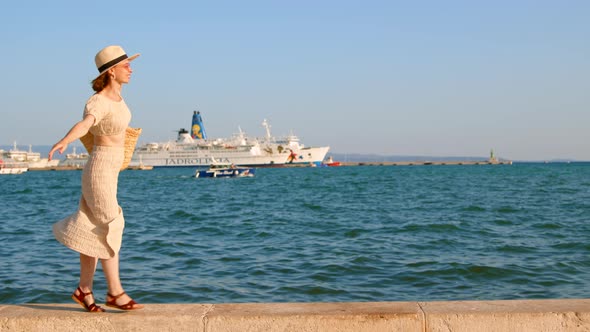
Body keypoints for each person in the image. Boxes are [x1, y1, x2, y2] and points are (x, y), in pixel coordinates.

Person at [48, 45, 144, 312]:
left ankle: (84, 290)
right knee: (112, 224)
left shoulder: (120, 100)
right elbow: (86, 124)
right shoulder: (98, 101)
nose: (131, 69)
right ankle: (115, 292)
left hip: (110, 170)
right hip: (99, 169)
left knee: (92, 229)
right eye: (126, 65)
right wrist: (66, 140)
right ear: (111, 71)